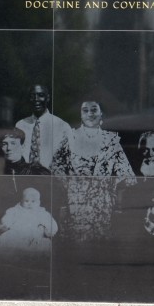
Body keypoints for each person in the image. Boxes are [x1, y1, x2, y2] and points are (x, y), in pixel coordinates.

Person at [52, 101, 135, 242]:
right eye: (85, 110)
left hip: (103, 201)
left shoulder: (111, 140)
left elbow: (124, 173)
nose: (90, 114)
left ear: (101, 113)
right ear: (80, 114)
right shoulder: (69, 137)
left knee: (99, 245)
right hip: (74, 199)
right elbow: (56, 167)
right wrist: (65, 193)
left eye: (94, 110)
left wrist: (118, 203)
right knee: (74, 244)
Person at [0, 186, 59, 260]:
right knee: (7, 243)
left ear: (38, 202)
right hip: (16, 233)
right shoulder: (15, 210)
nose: (29, 204)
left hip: (33, 235)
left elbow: (49, 221)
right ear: (21, 200)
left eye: (33, 201)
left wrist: (50, 230)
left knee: (40, 246)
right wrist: (6, 224)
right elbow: (8, 218)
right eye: (26, 201)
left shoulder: (41, 212)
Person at [15, 84, 72, 174]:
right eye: (33, 96)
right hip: (25, 179)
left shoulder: (62, 126)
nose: (36, 99)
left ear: (48, 98)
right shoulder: (20, 125)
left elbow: (68, 161)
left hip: (51, 180)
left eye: (41, 95)